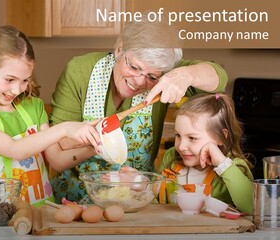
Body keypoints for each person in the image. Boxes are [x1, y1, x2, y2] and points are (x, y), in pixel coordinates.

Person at [49, 15, 228, 204]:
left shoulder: (165, 75)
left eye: (151, 76)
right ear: (119, 49)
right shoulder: (80, 71)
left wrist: (185, 75)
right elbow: (60, 142)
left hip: (138, 200)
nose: (139, 82)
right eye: (133, 67)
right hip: (74, 198)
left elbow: (220, 78)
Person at [0, 26, 101, 206]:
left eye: (25, 80)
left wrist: (95, 147)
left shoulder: (33, 106)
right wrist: (65, 129)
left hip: (43, 210)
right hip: (5, 215)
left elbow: (56, 160)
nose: (17, 89)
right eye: (10, 80)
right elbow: (15, 150)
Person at [158, 93, 254, 214]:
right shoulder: (171, 157)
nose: (181, 147)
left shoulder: (234, 168)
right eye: (178, 135)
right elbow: (154, 198)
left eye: (192, 138)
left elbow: (251, 207)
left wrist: (221, 162)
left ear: (220, 137)